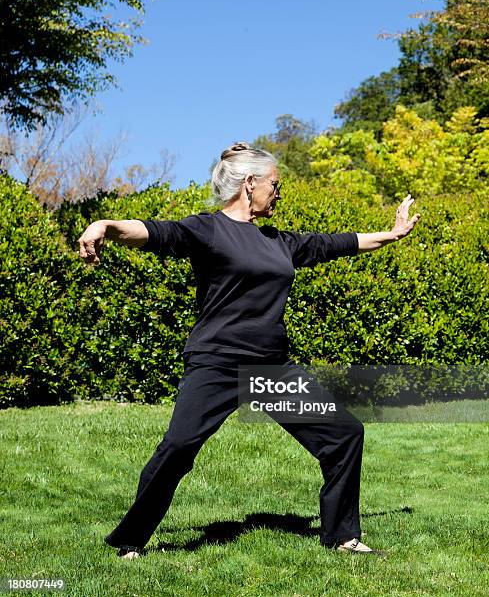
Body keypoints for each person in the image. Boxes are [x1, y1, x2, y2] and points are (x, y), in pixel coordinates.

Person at [78, 142, 421, 559]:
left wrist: (393, 234)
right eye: (275, 185)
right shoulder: (208, 230)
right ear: (250, 183)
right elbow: (154, 231)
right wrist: (105, 225)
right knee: (180, 446)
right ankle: (131, 538)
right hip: (217, 361)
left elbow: (337, 243)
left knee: (344, 435)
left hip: (271, 368)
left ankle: (342, 536)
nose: (278, 193)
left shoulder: (280, 242)